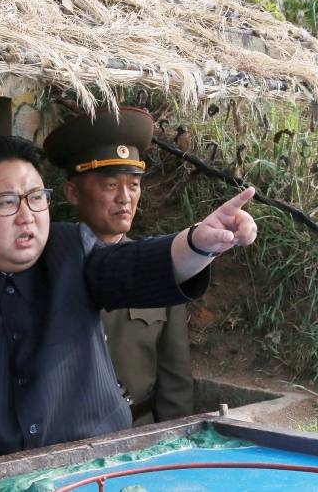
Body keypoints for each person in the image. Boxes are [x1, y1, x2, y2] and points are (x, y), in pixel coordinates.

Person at [0, 134, 257, 492]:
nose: (28, 218)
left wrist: (200, 243)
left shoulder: (73, 248)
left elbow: (133, 266)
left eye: (36, 198)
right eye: (5, 202)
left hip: (95, 467)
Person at [44, 107, 193, 425]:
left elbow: (175, 378)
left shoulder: (160, 269)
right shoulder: (45, 269)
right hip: (64, 440)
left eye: (134, 185)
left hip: (138, 436)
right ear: (73, 192)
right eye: (111, 185)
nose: (125, 198)